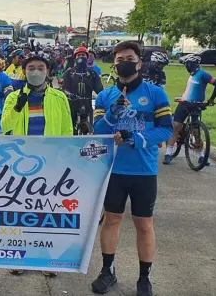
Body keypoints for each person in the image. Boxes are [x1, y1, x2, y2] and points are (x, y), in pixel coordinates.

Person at [92, 41, 173, 296]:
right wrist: (112, 115)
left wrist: (137, 138)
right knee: (112, 220)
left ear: (139, 62)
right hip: (113, 170)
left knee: (144, 224)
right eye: (118, 60)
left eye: (129, 57)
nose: (123, 62)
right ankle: (108, 271)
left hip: (144, 170)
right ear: (114, 65)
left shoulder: (155, 93)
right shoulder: (105, 96)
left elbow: (166, 128)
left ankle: (144, 278)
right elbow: (98, 132)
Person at [1, 53, 72, 276]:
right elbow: (5, 126)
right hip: (21, 162)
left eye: (40, 67)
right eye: (30, 68)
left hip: (50, 162)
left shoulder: (59, 97)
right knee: (20, 211)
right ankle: (19, 257)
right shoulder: (13, 97)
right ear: (24, 71)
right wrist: (17, 107)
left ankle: (46, 259)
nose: (35, 71)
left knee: (46, 211)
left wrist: (64, 160)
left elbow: (66, 131)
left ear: (48, 71)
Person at [163, 53, 216, 165]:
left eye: (186, 64)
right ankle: (168, 153)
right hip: (184, 103)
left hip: (196, 105)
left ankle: (202, 156)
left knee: (196, 131)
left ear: (191, 64)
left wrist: (211, 100)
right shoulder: (192, 74)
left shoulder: (203, 74)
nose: (186, 67)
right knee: (176, 126)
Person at [63, 46, 103, 130]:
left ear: (87, 57)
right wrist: (69, 94)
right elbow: (65, 88)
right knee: (71, 128)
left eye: (83, 55)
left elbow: (100, 90)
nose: (81, 57)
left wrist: (103, 97)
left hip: (87, 105)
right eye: (78, 55)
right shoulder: (69, 73)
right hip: (73, 104)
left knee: (90, 129)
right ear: (75, 58)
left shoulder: (92, 73)